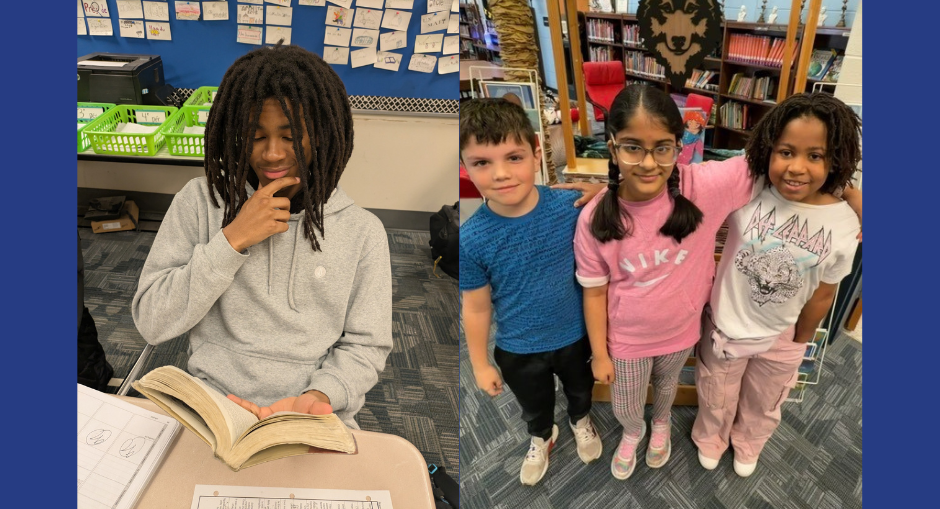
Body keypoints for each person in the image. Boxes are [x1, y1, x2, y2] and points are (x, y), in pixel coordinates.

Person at [572, 85, 861, 480]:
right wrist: (605, 190)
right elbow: (595, 289)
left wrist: (851, 195)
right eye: (632, 148)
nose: (648, 163)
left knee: (670, 387)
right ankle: (633, 430)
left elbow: (790, 159)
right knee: (627, 401)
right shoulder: (597, 218)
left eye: (663, 148)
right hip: (627, 339)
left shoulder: (703, 185)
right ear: (612, 147)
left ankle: (659, 427)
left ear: (680, 145)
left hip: (681, 331)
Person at [131, 43, 392, 428]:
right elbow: (152, 322)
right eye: (256, 136)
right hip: (212, 406)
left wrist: (320, 395)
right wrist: (231, 241)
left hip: (312, 412)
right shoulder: (199, 202)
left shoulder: (363, 232)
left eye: (291, 136)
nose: (272, 154)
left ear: (318, 135)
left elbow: (366, 345)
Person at [692, 92, 862, 478]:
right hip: (727, 325)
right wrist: (611, 191)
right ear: (769, 149)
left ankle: (748, 441)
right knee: (715, 392)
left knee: (765, 400)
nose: (797, 167)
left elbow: (825, 290)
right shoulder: (749, 187)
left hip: (782, 335)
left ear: (834, 159)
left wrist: (800, 339)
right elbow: (686, 183)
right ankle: (710, 437)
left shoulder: (843, 221)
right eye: (786, 151)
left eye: (814, 156)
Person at [460, 98, 603, 486]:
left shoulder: (569, 205)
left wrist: (599, 190)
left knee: (580, 390)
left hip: (575, 335)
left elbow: (623, 214)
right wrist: (479, 364)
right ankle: (542, 437)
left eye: (514, 157)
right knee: (534, 406)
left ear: (537, 153)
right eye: (482, 163)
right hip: (519, 348)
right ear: (465, 166)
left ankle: (580, 420)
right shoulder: (471, 238)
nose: (501, 174)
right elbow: (475, 307)